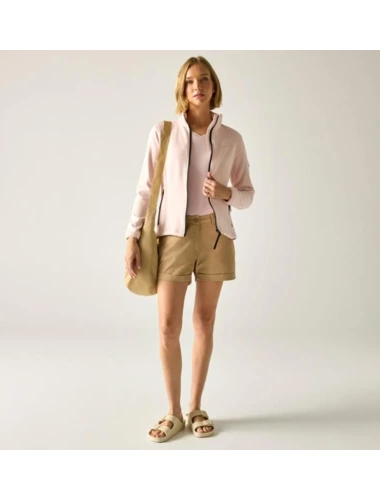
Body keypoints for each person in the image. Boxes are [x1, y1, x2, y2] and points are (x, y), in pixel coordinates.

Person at [124, 55, 255, 443]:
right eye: (190, 81)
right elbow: (145, 189)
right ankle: (173, 412)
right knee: (168, 326)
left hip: (215, 235)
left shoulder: (232, 139)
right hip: (173, 236)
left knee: (204, 322)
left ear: (214, 86)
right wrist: (132, 236)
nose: (197, 86)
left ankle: (196, 407)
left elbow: (247, 194)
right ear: (182, 88)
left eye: (204, 79)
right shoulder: (163, 132)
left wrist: (226, 192)